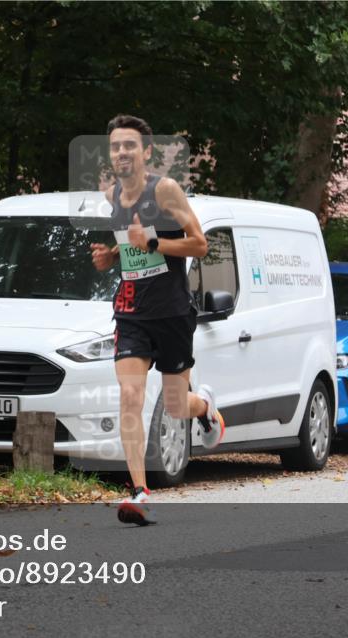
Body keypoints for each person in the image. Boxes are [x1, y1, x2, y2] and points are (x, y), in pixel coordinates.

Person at [90, 114, 225, 526]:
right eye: (115, 146)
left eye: (129, 145)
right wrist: (110, 257)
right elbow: (126, 244)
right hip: (131, 311)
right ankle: (139, 491)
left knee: (174, 403)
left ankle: (204, 408)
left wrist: (153, 240)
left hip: (171, 312)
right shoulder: (112, 194)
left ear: (146, 152)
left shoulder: (165, 190)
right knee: (130, 395)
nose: (122, 153)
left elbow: (200, 245)